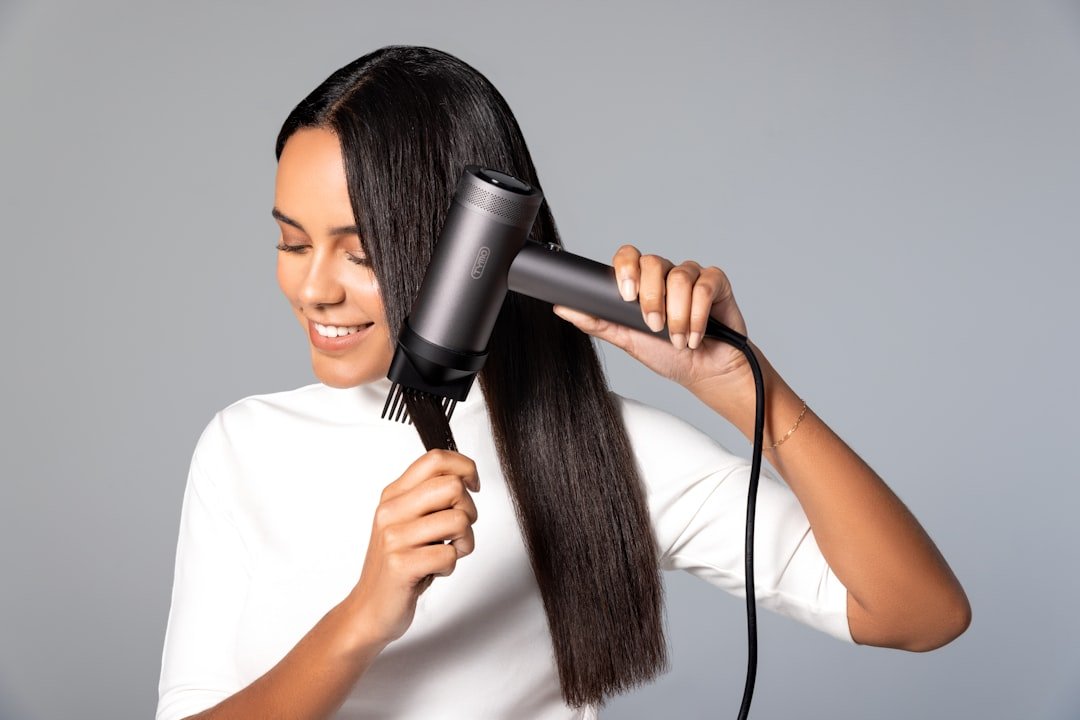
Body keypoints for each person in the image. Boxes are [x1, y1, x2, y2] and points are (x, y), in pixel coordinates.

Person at [155, 45, 970, 720]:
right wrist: (361, 619)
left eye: (360, 252)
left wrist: (737, 385)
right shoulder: (245, 446)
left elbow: (921, 613)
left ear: (465, 246)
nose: (314, 289)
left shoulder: (604, 454)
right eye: (294, 244)